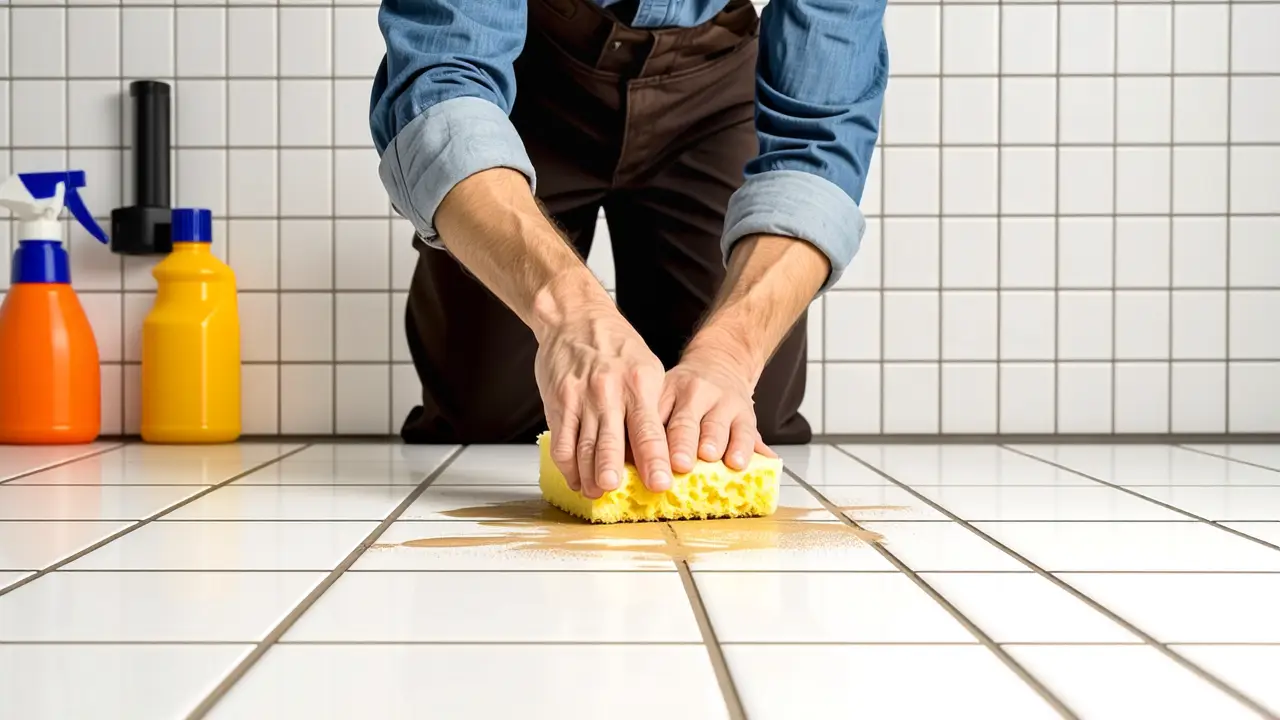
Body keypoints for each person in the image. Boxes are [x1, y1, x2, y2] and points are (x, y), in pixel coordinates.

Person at [370, 0, 887, 499]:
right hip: (526, 77)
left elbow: (820, 132)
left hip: (715, 81)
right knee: (483, 410)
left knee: (746, 416)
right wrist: (570, 317)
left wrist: (728, 354)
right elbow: (441, 80)